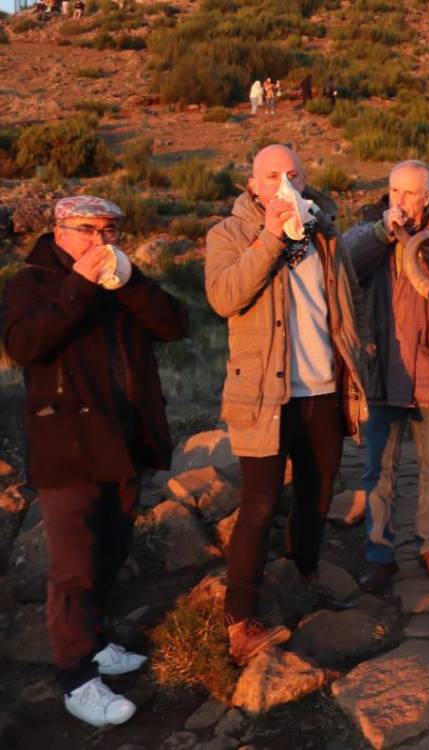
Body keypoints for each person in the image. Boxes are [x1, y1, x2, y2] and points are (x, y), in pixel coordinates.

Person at [3, 196, 188, 727]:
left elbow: (176, 325)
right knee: (73, 566)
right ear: (61, 230)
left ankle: (98, 639)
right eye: (90, 230)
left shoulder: (119, 276)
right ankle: (75, 677)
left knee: (112, 548)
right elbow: (24, 345)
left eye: (111, 230)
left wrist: (131, 282)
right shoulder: (31, 282)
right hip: (68, 443)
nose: (103, 241)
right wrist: (80, 286)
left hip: (125, 439)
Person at [205, 145, 366, 665]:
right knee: (259, 505)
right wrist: (271, 236)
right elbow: (226, 297)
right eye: (271, 175)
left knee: (317, 496)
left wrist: (359, 361)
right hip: (264, 395)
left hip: (322, 388)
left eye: (293, 174)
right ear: (252, 185)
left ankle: (305, 576)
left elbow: (346, 302)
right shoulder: (227, 234)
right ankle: (240, 621)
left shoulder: (326, 231)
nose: (283, 183)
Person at [343, 161, 429, 592]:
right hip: (384, 369)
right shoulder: (368, 229)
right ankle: (380, 553)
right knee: (378, 470)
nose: (399, 199)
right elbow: (343, 269)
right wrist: (384, 233)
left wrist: (427, 249)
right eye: (394, 189)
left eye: (409, 192)